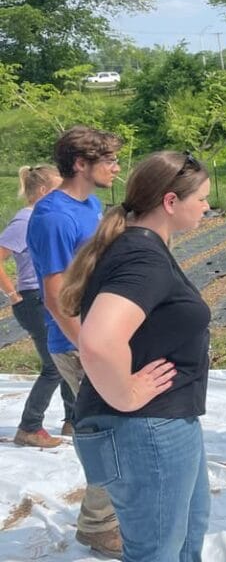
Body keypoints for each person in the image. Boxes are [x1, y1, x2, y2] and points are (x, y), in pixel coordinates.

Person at [59, 151, 212, 562]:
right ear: (170, 202)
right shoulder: (142, 257)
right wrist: (126, 393)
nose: (207, 207)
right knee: (156, 552)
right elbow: (98, 341)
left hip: (163, 423)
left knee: (185, 539)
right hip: (144, 430)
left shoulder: (138, 247)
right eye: (201, 198)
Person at [26, 125, 123, 558]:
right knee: (109, 431)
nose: (117, 168)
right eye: (109, 161)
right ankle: (98, 525)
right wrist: (88, 345)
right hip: (76, 343)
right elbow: (53, 292)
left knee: (119, 426)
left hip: (101, 332)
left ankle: (111, 511)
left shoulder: (92, 203)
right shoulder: (53, 217)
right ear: (81, 164)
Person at [1, 165, 75, 448]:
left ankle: (73, 420)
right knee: (53, 366)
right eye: (59, 188)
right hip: (32, 299)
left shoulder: (48, 217)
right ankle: (29, 427)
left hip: (49, 296)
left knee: (67, 355)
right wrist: (12, 293)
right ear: (44, 191)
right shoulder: (25, 220)